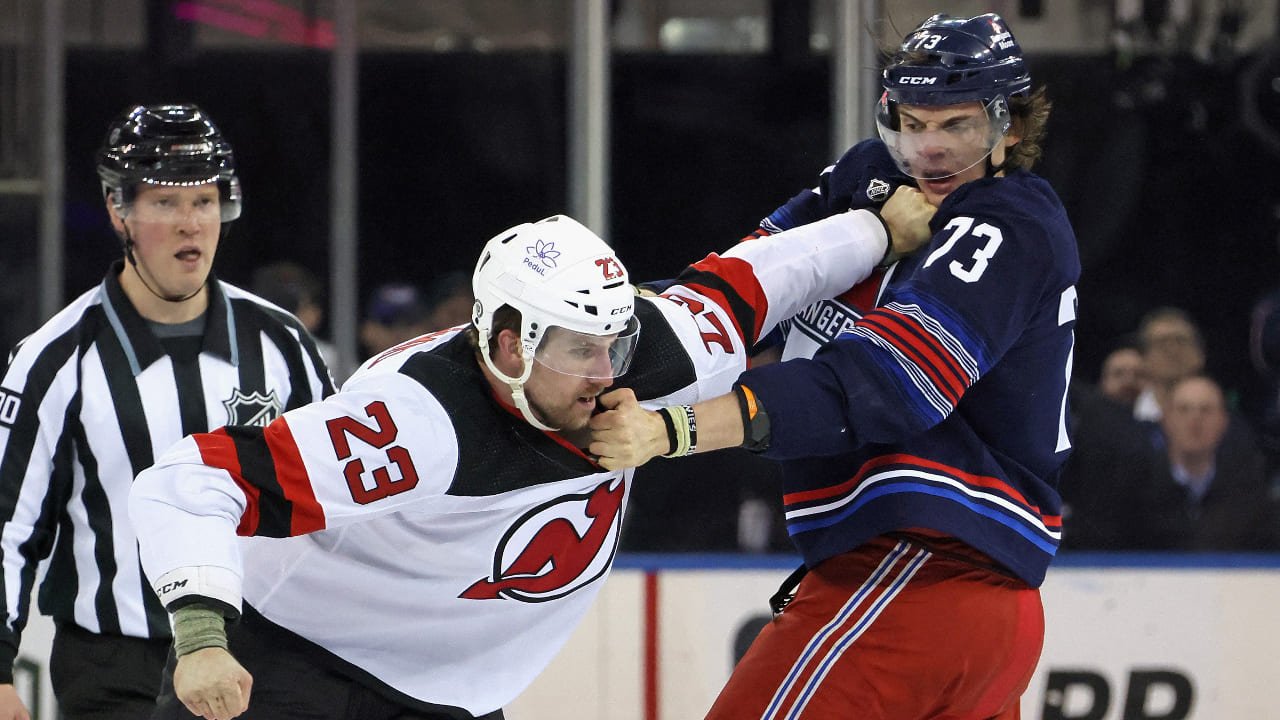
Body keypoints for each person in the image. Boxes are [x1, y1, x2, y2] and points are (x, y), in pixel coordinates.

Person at [126, 206, 933, 719]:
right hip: (289, 672)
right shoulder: (415, 424)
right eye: (580, 351)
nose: (608, 372)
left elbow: (755, 280)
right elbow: (188, 482)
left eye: (615, 344)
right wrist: (200, 636)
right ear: (509, 343)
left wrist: (882, 227)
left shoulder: (652, 355)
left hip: (452, 700)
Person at [590, 13, 1079, 718]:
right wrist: (621, 326)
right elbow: (749, 281)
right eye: (912, 123)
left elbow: (887, 384)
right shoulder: (867, 179)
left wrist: (674, 430)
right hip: (950, 602)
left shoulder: (1008, 222)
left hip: (923, 577)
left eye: (959, 127)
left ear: (1011, 127)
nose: (930, 151)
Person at [0, 104, 334, 720]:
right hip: (115, 670)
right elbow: (8, 527)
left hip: (259, 663)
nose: (190, 224)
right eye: (165, 203)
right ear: (117, 211)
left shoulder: (281, 344)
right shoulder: (54, 358)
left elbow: (335, 508)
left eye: (204, 202)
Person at [1144, 374, 1279, 550]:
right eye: (1184, 409)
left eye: (1206, 410)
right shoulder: (1139, 487)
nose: (1195, 419)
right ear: (1166, 419)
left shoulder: (1250, 494)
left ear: (1223, 421)